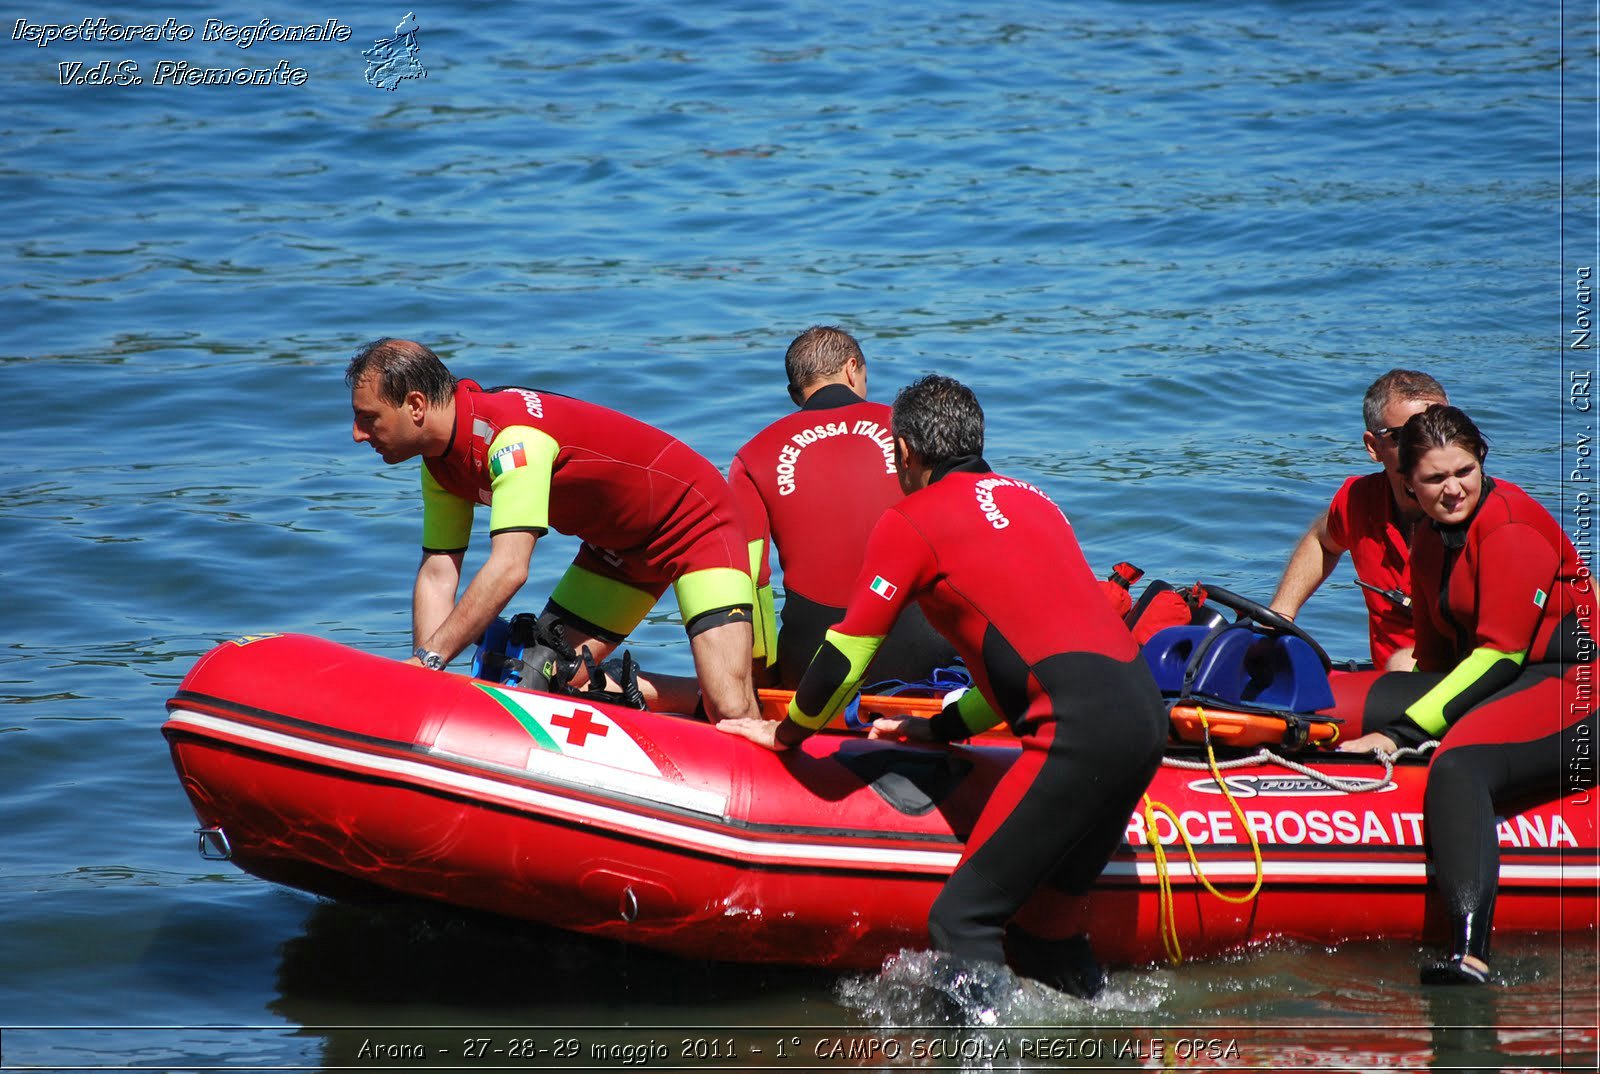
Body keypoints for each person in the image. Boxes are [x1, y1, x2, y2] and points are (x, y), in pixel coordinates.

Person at [717, 375, 1167, 996]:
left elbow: (846, 655)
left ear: (902, 451)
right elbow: (1028, 660)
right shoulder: (1036, 501)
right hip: (1143, 718)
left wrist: (786, 730)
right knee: (1045, 933)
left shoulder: (910, 519)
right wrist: (938, 727)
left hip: (1077, 732)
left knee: (961, 920)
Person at [345, 338, 760, 721]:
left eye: (368, 418)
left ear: (415, 405)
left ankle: (733, 708)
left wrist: (431, 658)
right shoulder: (440, 465)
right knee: (542, 675)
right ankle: (639, 689)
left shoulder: (512, 440)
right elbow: (438, 570)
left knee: (731, 705)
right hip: (615, 551)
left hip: (697, 523)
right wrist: (424, 674)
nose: (358, 434)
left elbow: (510, 568)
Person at [1338, 405, 1596, 985]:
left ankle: (1470, 952)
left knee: (1458, 769)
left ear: (1481, 461)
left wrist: (1404, 734)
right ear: (1406, 483)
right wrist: (1375, 714)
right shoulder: (1431, 539)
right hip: (1501, 681)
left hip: (1573, 688)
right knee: (1334, 698)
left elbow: (1499, 656)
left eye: (1464, 471)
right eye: (1433, 479)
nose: (1453, 489)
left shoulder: (1509, 526)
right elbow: (1435, 665)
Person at [728, 325, 957, 688]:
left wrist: (762, 680)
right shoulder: (911, 431)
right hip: (923, 652)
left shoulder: (752, 456)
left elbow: (750, 580)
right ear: (853, 369)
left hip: (813, 663)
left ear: (794, 394)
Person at [1270, 369, 1449, 671]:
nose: (1429, 446)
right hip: (1388, 686)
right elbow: (1322, 540)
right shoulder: (1358, 500)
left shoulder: (1479, 515)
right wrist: (1280, 616)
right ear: (1373, 446)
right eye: (1407, 436)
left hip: (1461, 689)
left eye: (1444, 429)